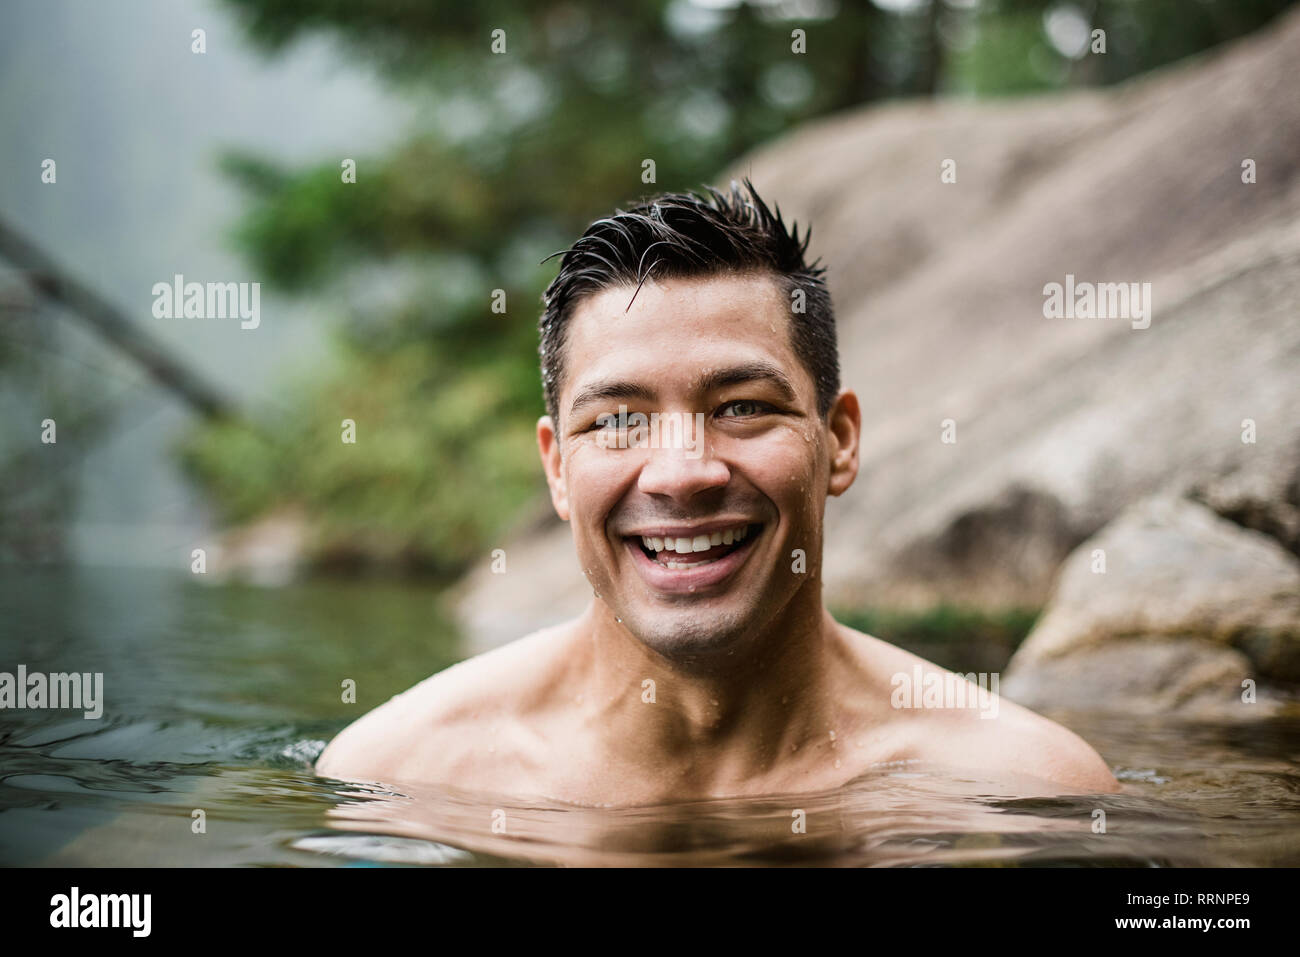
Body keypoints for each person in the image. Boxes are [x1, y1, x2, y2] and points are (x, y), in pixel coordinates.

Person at [316, 180, 1120, 804]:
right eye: (619, 420)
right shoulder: (401, 779)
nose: (681, 472)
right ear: (557, 467)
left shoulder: (1021, 789)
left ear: (838, 441)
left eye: (742, 407)